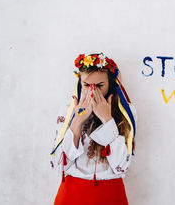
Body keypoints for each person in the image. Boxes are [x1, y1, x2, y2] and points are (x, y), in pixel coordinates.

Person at [50, 52, 137, 205]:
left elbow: (122, 167)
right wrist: (77, 122)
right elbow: (59, 167)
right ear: (79, 84)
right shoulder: (67, 111)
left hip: (110, 195)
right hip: (72, 195)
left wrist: (107, 120)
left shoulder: (127, 112)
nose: (92, 91)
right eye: (86, 85)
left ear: (111, 84)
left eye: (99, 86)